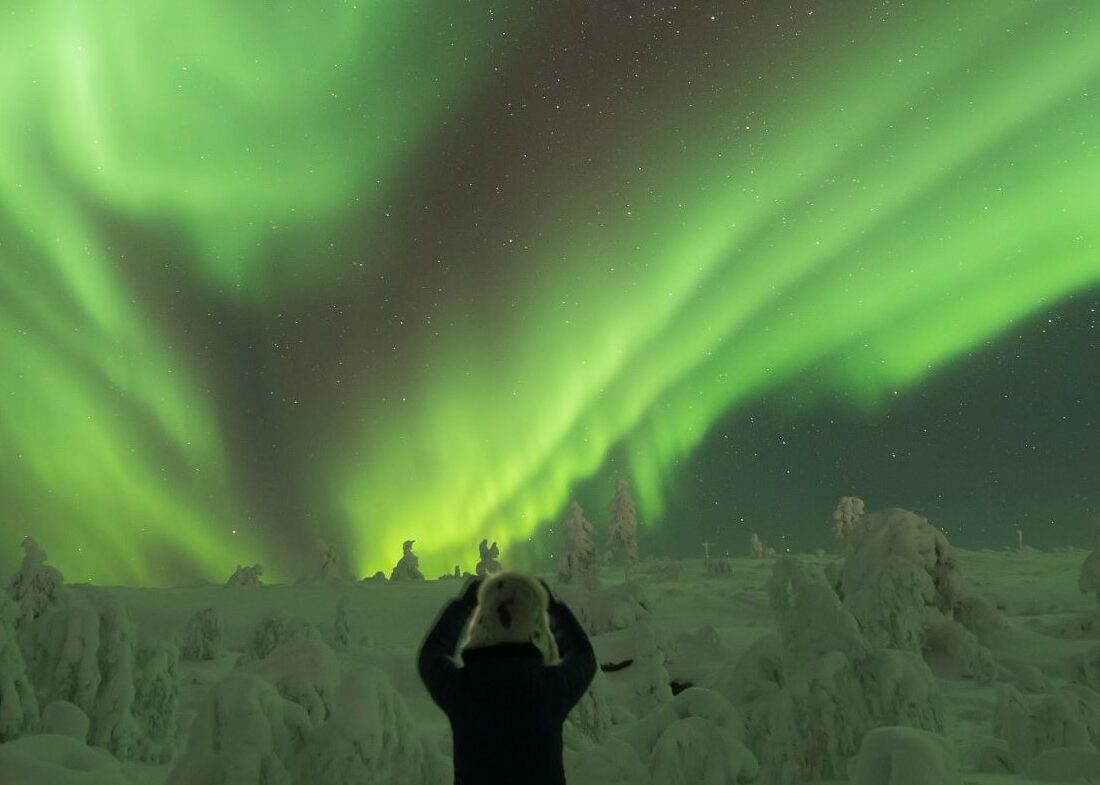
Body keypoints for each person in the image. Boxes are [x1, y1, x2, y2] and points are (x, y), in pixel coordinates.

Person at [417, 570, 597, 785]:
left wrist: (463, 605)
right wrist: (553, 608)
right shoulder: (553, 688)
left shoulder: (462, 689)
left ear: (483, 621)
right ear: (534, 625)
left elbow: (431, 656)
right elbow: (583, 655)